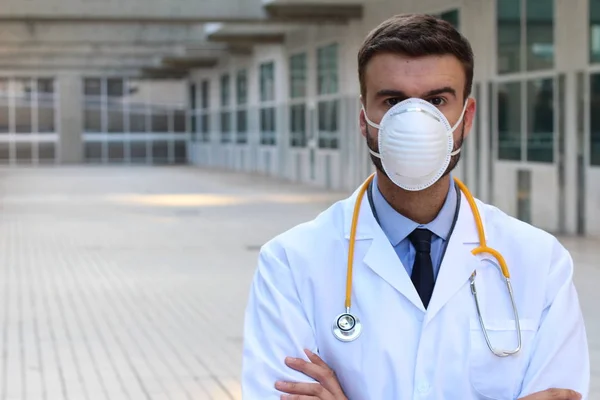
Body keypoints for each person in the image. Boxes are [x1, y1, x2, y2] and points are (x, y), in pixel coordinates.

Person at [241, 13, 590, 400]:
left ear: (467, 117)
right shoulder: (290, 263)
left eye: (437, 100)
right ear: (364, 119)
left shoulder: (539, 261)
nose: (414, 121)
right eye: (392, 101)